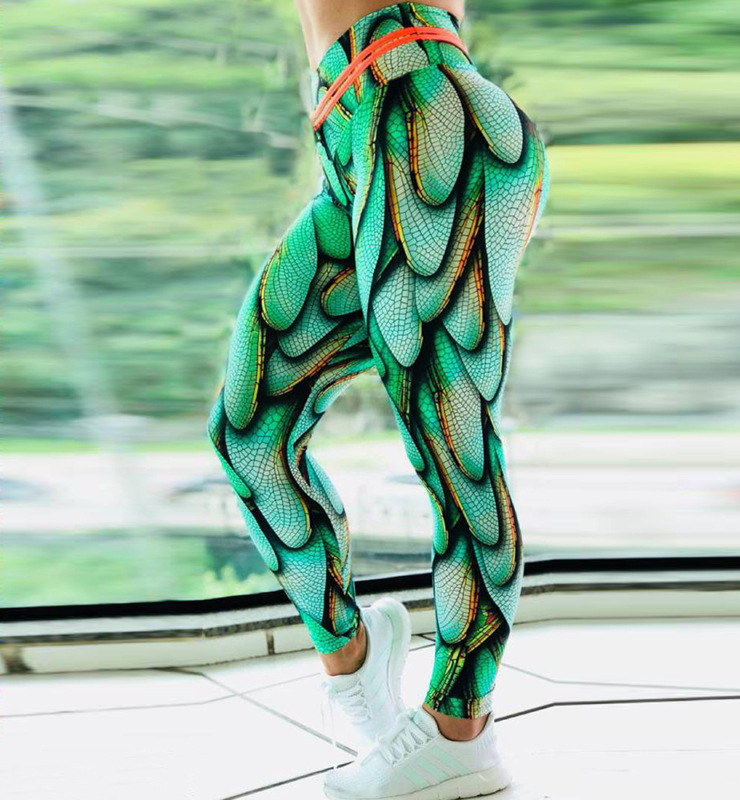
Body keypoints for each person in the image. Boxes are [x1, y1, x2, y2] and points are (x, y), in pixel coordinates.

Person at [207, 2, 549, 796]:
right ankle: (357, 668)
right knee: (251, 433)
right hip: (352, 130)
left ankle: (461, 729)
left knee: (453, 444)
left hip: (420, 110)